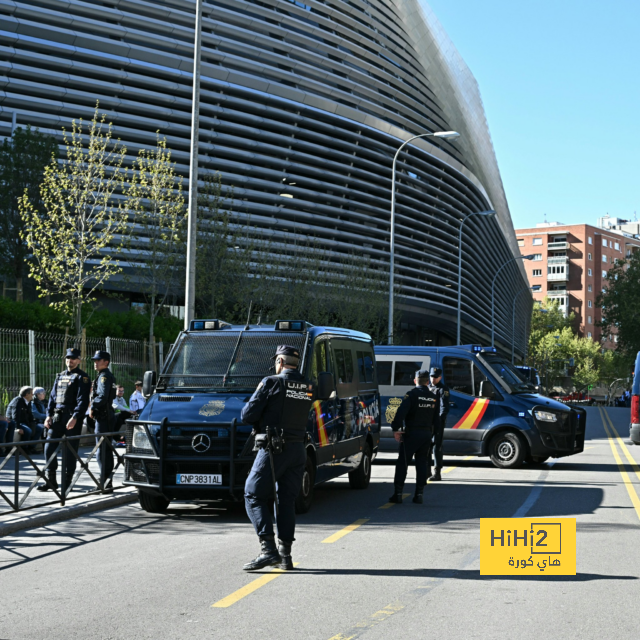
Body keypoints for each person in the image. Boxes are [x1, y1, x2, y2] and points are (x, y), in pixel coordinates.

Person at [240, 345, 314, 572]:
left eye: (276, 362)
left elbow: (247, 415)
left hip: (274, 450)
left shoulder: (271, 382)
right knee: (286, 501)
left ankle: (268, 550)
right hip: (298, 450)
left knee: (253, 494)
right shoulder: (308, 386)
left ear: (280, 362)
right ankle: (285, 556)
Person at [37, 348, 91, 492]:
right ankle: (51, 480)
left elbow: (83, 401)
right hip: (57, 417)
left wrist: (75, 417)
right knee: (49, 448)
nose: (70, 361)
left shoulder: (82, 378)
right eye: (68, 358)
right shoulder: (60, 376)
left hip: (72, 418)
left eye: (73, 358)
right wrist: (48, 415)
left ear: (79, 360)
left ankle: (67, 481)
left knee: (70, 450)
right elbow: (53, 398)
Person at [389, 369, 444, 504]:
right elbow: (437, 419)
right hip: (426, 435)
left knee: (403, 463)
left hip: (411, 434)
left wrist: (395, 428)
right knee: (422, 463)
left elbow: (400, 413)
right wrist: (435, 435)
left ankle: (398, 494)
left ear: (415, 381)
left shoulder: (411, 395)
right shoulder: (434, 397)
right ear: (427, 382)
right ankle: (419, 494)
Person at [89, 350, 117, 492]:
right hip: (108, 415)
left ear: (106, 362)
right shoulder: (107, 376)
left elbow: (102, 396)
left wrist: (93, 407)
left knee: (102, 450)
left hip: (103, 416)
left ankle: (104, 483)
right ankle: (107, 482)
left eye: (98, 360)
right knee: (106, 449)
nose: (95, 363)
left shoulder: (104, 377)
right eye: (95, 360)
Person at [428, 366, 450, 482]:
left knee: (437, 447)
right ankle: (427, 471)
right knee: (426, 446)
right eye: (432, 376)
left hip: (437, 422)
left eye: (435, 377)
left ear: (440, 377)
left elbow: (444, 407)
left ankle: (437, 472)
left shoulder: (443, 389)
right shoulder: (427, 388)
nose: (433, 379)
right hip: (427, 422)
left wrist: (439, 421)